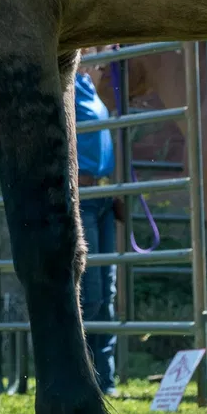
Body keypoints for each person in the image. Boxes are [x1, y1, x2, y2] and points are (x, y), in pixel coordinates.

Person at [74, 67, 118, 396]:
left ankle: (107, 378)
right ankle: (85, 375)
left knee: (108, 290)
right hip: (84, 195)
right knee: (91, 292)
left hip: (103, 194)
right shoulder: (68, 82)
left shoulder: (90, 84)